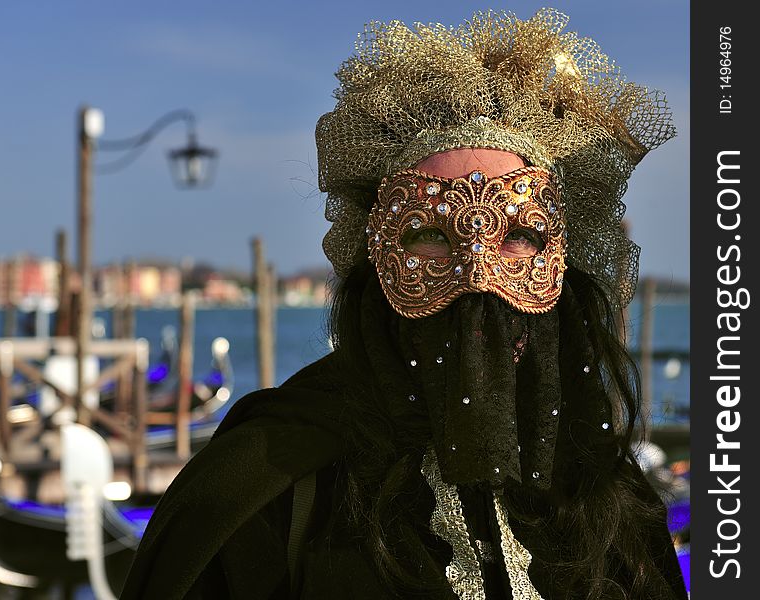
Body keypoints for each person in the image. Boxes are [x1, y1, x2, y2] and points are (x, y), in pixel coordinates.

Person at [121, 8, 687, 599]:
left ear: (560, 259)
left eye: (518, 235)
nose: (477, 278)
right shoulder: (271, 483)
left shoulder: (607, 497)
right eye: (430, 236)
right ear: (377, 254)